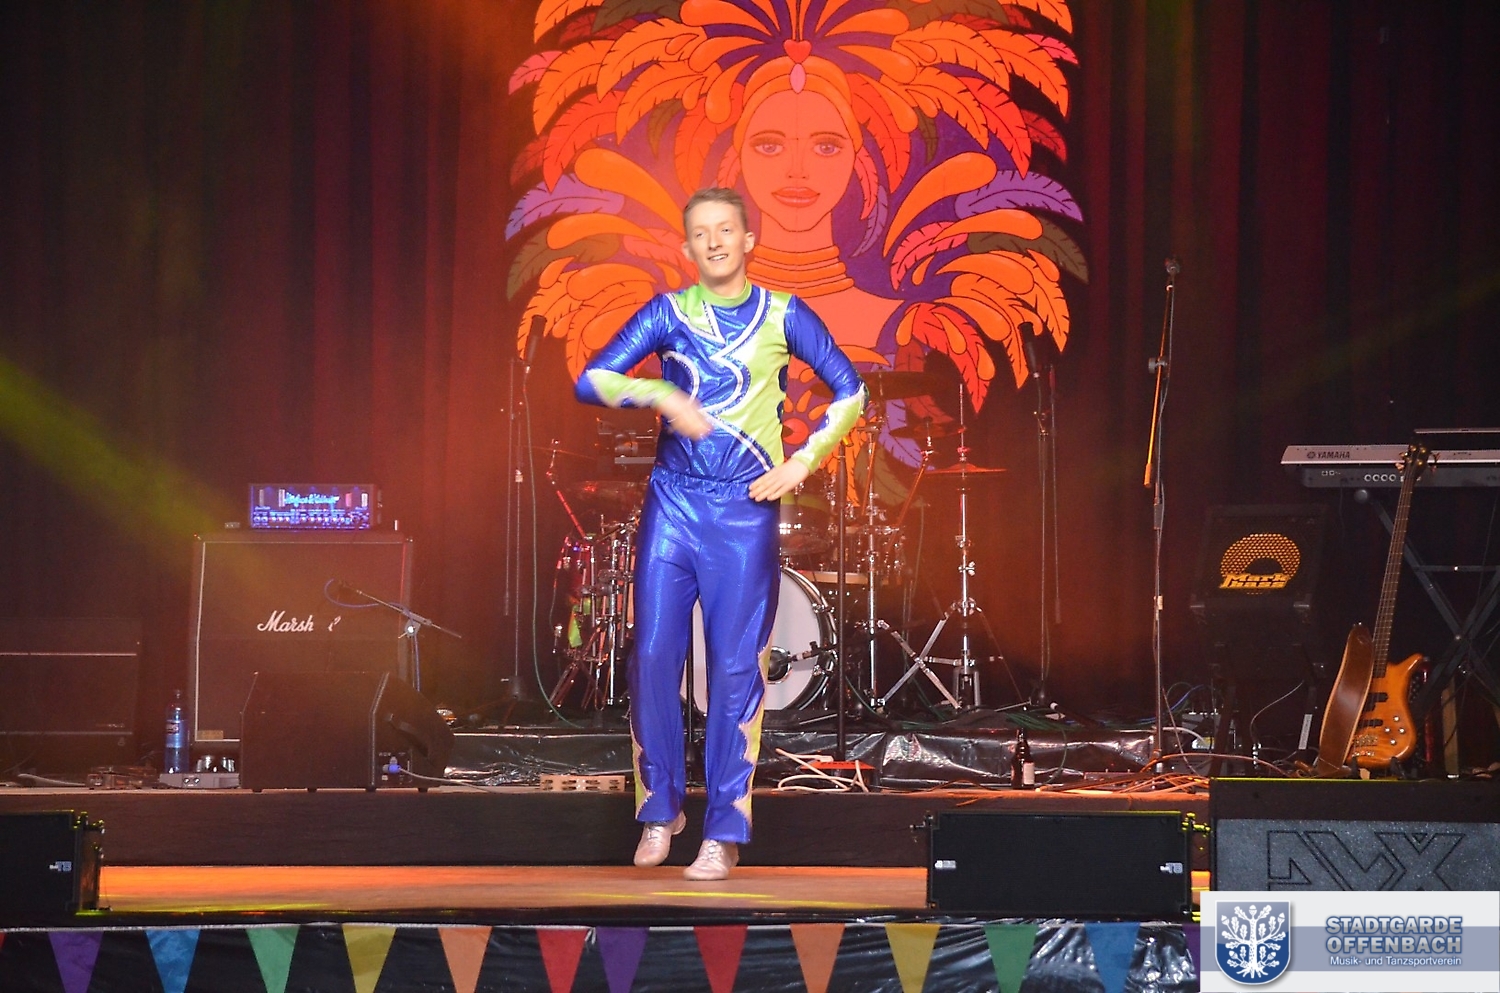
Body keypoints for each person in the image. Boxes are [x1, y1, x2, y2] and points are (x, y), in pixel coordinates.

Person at [574, 187, 866, 880]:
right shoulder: (668, 313)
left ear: (748, 240)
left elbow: (851, 390)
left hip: (742, 511)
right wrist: (661, 394)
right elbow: (593, 379)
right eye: (701, 232)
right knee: (652, 655)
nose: (714, 241)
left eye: (725, 229)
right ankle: (660, 810)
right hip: (673, 503)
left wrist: (800, 463)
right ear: (686, 247)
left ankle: (724, 830)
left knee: (735, 668)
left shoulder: (784, 313)